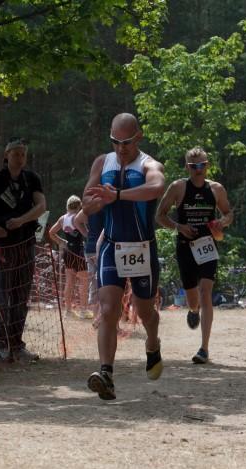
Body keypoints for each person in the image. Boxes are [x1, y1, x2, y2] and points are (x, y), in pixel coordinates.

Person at [82, 113, 166, 400]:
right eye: (115, 142)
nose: (120, 148)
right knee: (108, 310)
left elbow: (156, 187)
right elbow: (87, 201)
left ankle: (152, 344)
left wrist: (117, 195)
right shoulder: (101, 162)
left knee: (145, 312)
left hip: (142, 248)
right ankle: (106, 373)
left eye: (126, 142)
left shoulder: (148, 164)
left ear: (138, 137)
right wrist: (93, 204)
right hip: (111, 246)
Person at [155, 147, 233, 364]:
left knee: (206, 291)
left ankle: (204, 349)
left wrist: (222, 222)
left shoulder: (216, 189)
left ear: (207, 165)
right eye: (193, 166)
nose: (198, 170)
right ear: (187, 167)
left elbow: (228, 213)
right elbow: (160, 215)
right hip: (185, 247)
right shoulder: (178, 187)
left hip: (207, 246)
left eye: (202, 165)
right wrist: (179, 227)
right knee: (192, 298)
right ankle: (193, 310)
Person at [0, 137, 46, 363]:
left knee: (21, 296)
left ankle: (17, 343)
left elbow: (41, 206)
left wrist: (22, 220)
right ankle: (0, 343)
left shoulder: (31, 178)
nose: (20, 158)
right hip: (2, 246)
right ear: (6, 155)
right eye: (16, 153)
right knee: (2, 294)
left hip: (26, 243)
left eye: (23, 154)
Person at [48, 195, 88, 316]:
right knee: (83, 281)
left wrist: (61, 242)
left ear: (68, 206)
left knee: (69, 282)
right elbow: (86, 233)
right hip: (79, 250)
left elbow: (51, 233)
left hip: (68, 251)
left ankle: (68, 311)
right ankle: (83, 310)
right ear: (79, 206)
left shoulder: (62, 218)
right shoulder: (78, 217)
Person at [73, 210, 104, 324]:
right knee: (104, 282)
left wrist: (87, 234)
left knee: (94, 283)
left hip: (90, 247)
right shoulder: (108, 204)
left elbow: (76, 220)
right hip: (103, 247)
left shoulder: (90, 206)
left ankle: (96, 318)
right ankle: (100, 319)